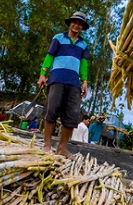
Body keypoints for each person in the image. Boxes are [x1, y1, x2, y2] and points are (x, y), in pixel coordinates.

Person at [37, 12, 90, 159]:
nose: (76, 26)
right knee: (51, 110)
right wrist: (42, 74)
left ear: (82, 27)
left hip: (74, 82)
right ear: (70, 23)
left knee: (72, 115)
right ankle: (47, 145)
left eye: (80, 24)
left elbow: (84, 64)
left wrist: (84, 81)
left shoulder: (83, 45)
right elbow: (50, 56)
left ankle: (61, 148)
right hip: (57, 78)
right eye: (74, 22)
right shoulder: (58, 38)